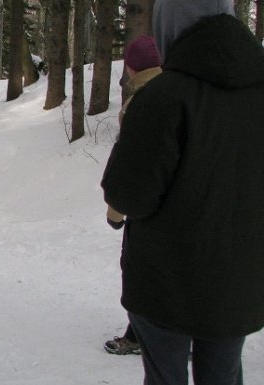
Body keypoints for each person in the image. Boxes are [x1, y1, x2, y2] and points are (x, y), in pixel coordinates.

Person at [101, 1, 264, 385]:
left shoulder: (165, 97)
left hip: (167, 281)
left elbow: (127, 194)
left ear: (172, 27)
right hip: (244, 277)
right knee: (222, 381)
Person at [104, 35, 162, 357]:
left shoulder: (138, 104)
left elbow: (129, 164)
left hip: (143, 207)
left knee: (136, 269)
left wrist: (116, 211)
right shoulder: (181, 94)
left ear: (130, 66)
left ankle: (138, 334)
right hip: (178, 205)